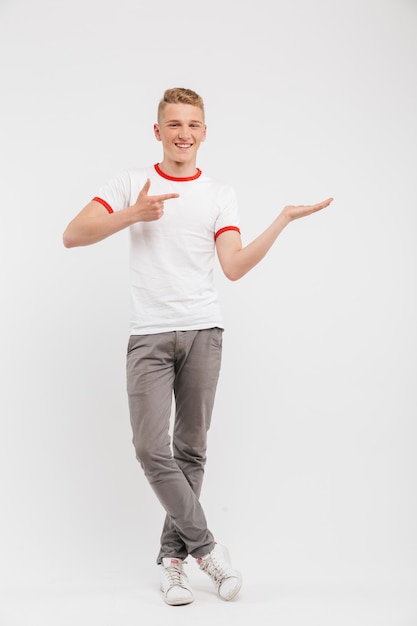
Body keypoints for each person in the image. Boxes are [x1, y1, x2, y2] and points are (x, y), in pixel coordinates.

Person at [63, 87, 333, 606]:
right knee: (149, 448)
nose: (184, 133)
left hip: (204, 331)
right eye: (174, 124)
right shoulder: (130, 185)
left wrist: (281, 220)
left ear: (204, 132)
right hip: (150, 334)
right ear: (158, 131)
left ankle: (172, 561)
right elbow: (73, 235)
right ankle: (207, 548)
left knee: (191, 450)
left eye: (193, 124)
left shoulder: (218, 193)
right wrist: (132, 215)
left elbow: (232, 266)